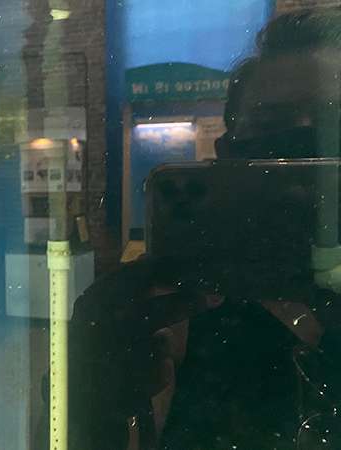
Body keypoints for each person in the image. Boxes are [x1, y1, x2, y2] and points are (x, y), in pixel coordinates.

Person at [36, 8, 341, 450]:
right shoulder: (185, 300)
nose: (304, 143)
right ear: (227, 151)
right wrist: (85, 394)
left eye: (334, 123)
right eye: (269, 126)